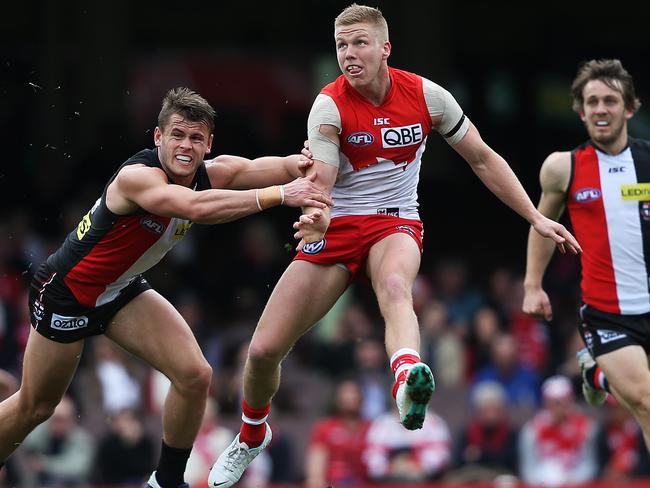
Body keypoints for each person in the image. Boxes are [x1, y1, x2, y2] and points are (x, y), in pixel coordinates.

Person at [209, 5, 581, 487]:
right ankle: (252, 433)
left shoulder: (429, 97)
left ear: (386, 48)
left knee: (394, 287)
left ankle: (407, 377)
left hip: (395, 222)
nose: (349, 54)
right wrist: (317, 221)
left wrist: (534, 216)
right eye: (341, 45)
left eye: (359, 43)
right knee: (262, 353)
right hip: (339, 227)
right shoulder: (328, 105)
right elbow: (318, 181)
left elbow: (484, 160)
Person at [0, 87, 332, 488]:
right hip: (67, 294)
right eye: (176, 135)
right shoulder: (137, 178)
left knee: (195, 375)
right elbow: (195, 208)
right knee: (36, 407)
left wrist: (309, 160)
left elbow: (273, 167)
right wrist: (281, 195)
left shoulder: (211, 171)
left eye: (196, 138)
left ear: (209, 144)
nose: (185, 146)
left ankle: (167, 483)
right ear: (158, 137)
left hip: (120, 289)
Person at [523, 59, 650, 450]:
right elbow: (544, 224)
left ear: (629, 108)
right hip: (608, 314)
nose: (600, 109)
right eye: (592, 101)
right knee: (646, 402)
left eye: (610, 100)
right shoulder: (564, 168)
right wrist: (532, 285)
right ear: (580, 111)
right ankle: (602, 367)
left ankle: (598, 375)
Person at [517, 375, 598, 486]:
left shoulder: (585, 428)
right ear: (545, 402)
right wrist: (542, 482)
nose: (559, 408)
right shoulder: (531, 430)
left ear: (571, 400)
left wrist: (573, 481)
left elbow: (589, 465)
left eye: (563, 402)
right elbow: (528, 469)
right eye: (554, 403)